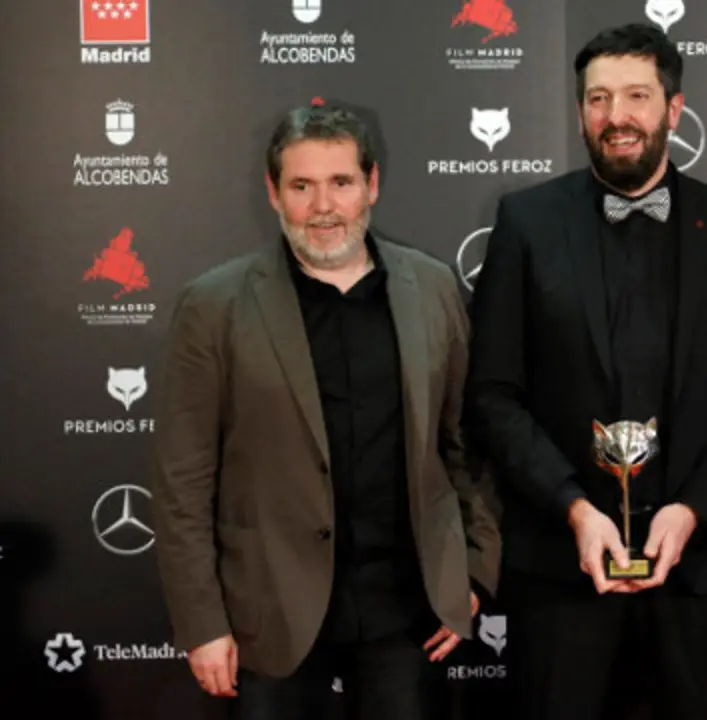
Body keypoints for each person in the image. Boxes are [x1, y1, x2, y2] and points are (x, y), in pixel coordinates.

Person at [463, 22, 707, 720]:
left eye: (637, 96)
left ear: (673, 110)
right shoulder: (526, 222)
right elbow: (493, 394)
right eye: (598, 99)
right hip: (562, 575)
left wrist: (694, 509)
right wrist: (574, 508)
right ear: (581, 112)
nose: (617, 117)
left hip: (700, 580)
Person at [150, 102, 500, 719]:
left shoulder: (435, 287)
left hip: (406, 608)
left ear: (371, 185)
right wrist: (201, 621)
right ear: (273, 193)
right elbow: (183, 480)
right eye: (301, 186)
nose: (322, 207)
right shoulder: (213, 306)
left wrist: (472, 572)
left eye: (340, 182)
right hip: (268, 615)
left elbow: (466, 441)